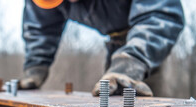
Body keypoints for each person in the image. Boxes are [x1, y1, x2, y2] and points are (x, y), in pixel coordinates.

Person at [20, 0, 185, 96]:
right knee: (112, 105)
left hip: (149, 43)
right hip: (115, 41)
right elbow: (40, 27)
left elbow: (160, 16)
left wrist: (133, 61)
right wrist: (36, 65)